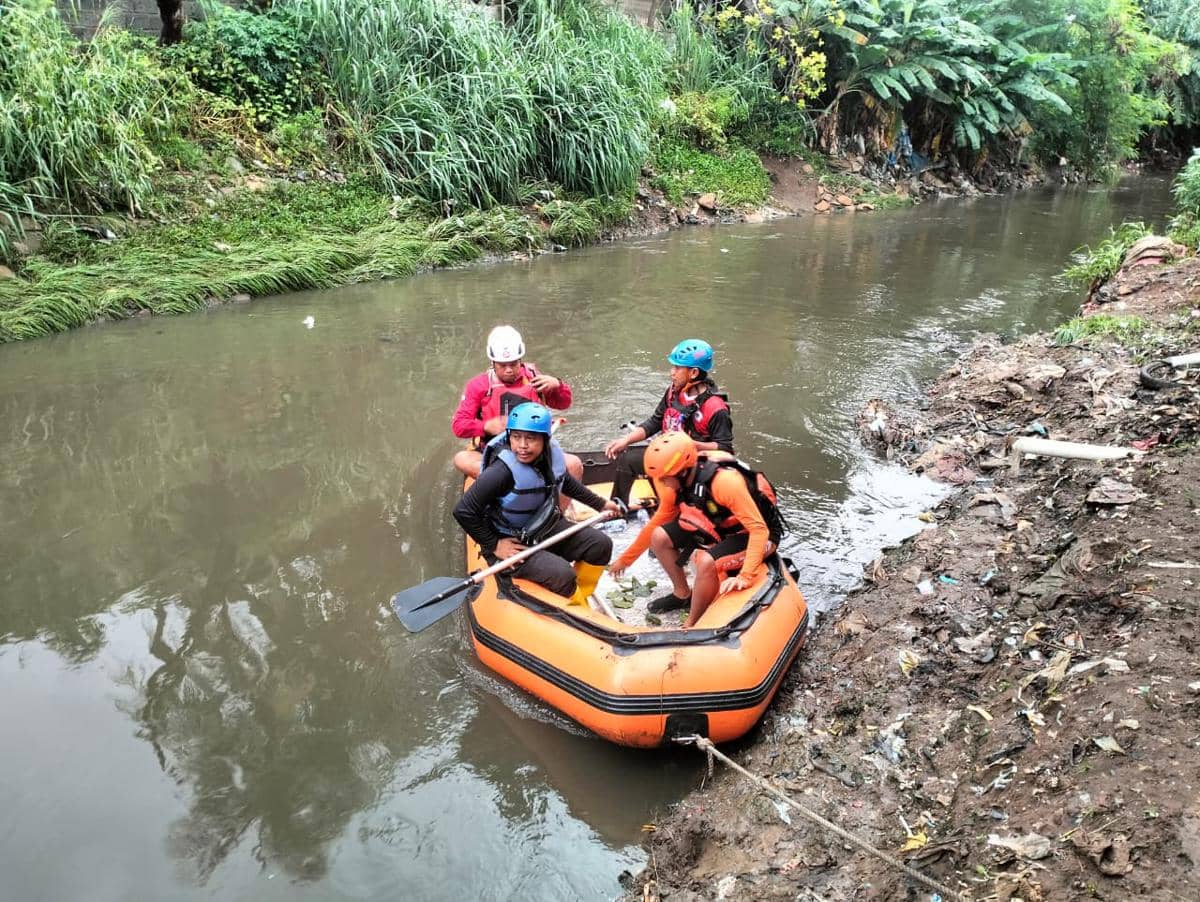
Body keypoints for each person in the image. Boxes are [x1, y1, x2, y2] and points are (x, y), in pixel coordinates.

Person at [608, 432, 784, 628]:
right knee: (659, 537)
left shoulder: (724, 482)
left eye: (665, 478)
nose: (661, 483)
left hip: (754, 532)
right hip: (720, 527)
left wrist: (745, 576)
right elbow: (656, 523)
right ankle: (682, 594)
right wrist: (626, 560)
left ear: (682, 472)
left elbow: (759, 530)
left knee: (707, 562)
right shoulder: (673, 483)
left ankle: (693, 622)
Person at [454, 402, 621, 605]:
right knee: (562, 574)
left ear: (544, 439)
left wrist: (600, 504)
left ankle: (580, 598)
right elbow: (463, 511)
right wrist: (494, 544)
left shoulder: (550, 456)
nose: (522, 445)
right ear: (509, 437)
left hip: (540, 527)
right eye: (516, 437)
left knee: (600, 544)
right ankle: (576, 609)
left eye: (530, 438)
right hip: (508, 539)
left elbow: (563, 481)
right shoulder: (501, 472)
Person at [603, 339, 733, 506]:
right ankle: (617, 507)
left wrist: (687, 444)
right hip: (667, 456)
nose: (672, 372)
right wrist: (626, 440)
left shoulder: (715, 408)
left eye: (677, 368)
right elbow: (654, 422)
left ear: (693, 373)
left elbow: (725, 447)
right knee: (627, 460)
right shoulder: (673, 392)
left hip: (691, 468)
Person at [452, 325, 581, 481]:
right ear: (493, 362)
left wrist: (557, 385)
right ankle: (502, 482)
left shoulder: (534, 377)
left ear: (520, 360)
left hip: (535, 450)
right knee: (461, 458)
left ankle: (556, 504)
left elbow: (564, 403)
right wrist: (485, 426)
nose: (509, 370)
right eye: (502, 365)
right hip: (497, 453)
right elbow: (459, 426)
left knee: (574, 465)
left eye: (513, 364)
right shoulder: (478, 386)